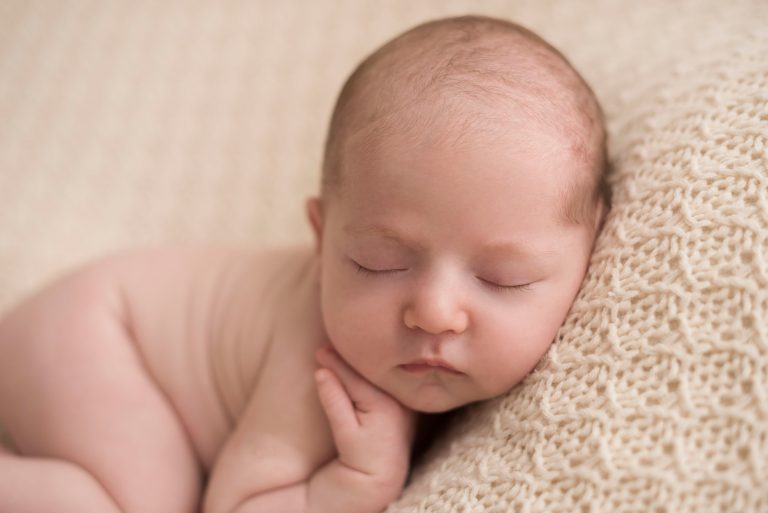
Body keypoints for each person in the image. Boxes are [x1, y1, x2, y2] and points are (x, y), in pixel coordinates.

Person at [0, 14, 610, 513]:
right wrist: (352, 486)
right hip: (96, 335)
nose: (433, 312)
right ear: (321, 241)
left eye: (504, 279)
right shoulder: (321, 367)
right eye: (377, 263)